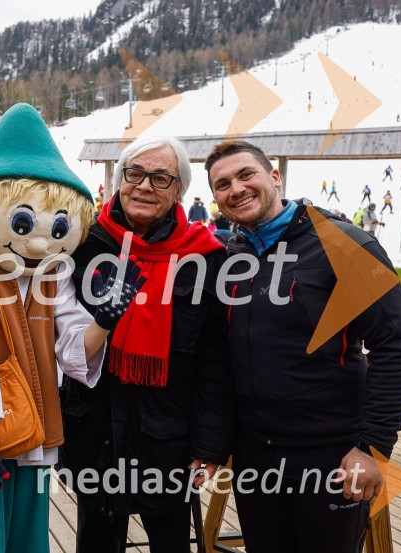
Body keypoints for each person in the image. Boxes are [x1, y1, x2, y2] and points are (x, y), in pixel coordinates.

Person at [0, 103, 133, 553]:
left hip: (34, 432)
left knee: (26, 540)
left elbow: (72, 344)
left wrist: (104, 320)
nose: (41, 240)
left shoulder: (51, 275)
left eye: (58, 226)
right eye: (23, 222)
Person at [206, 140, 401, 553]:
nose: (236, 189)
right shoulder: (229, 255)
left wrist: (372, 448)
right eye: (222, 183)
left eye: (246, 175)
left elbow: (395, 349)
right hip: (255, 456)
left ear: (274, 177)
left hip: (332, 454)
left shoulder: (347, 243)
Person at [61, 136, 235, 553]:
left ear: (179, 190)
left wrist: (209, 444)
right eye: (134, 173)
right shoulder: (83, 243)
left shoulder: (207, 257)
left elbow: (215, 360)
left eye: (160, 178)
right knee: (96, 540)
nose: (143, 186)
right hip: (94, 427)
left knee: (171, 542)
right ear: (119, 179)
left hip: (169, 435)